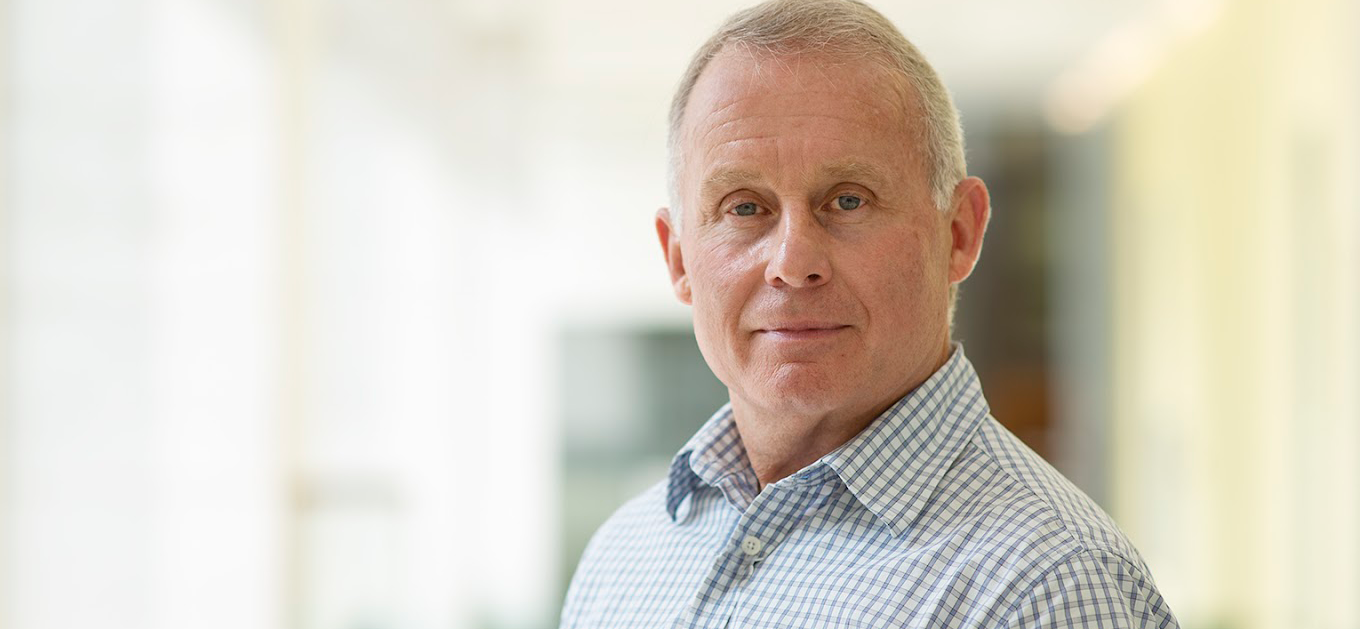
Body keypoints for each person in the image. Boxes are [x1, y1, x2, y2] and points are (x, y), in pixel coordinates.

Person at [560, 0, 1178, 627]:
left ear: (959, 234)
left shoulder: (1050, 585)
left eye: (848, 200)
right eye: (744, 208)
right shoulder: (623, 559)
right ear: (678, 259)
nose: (792, 263)